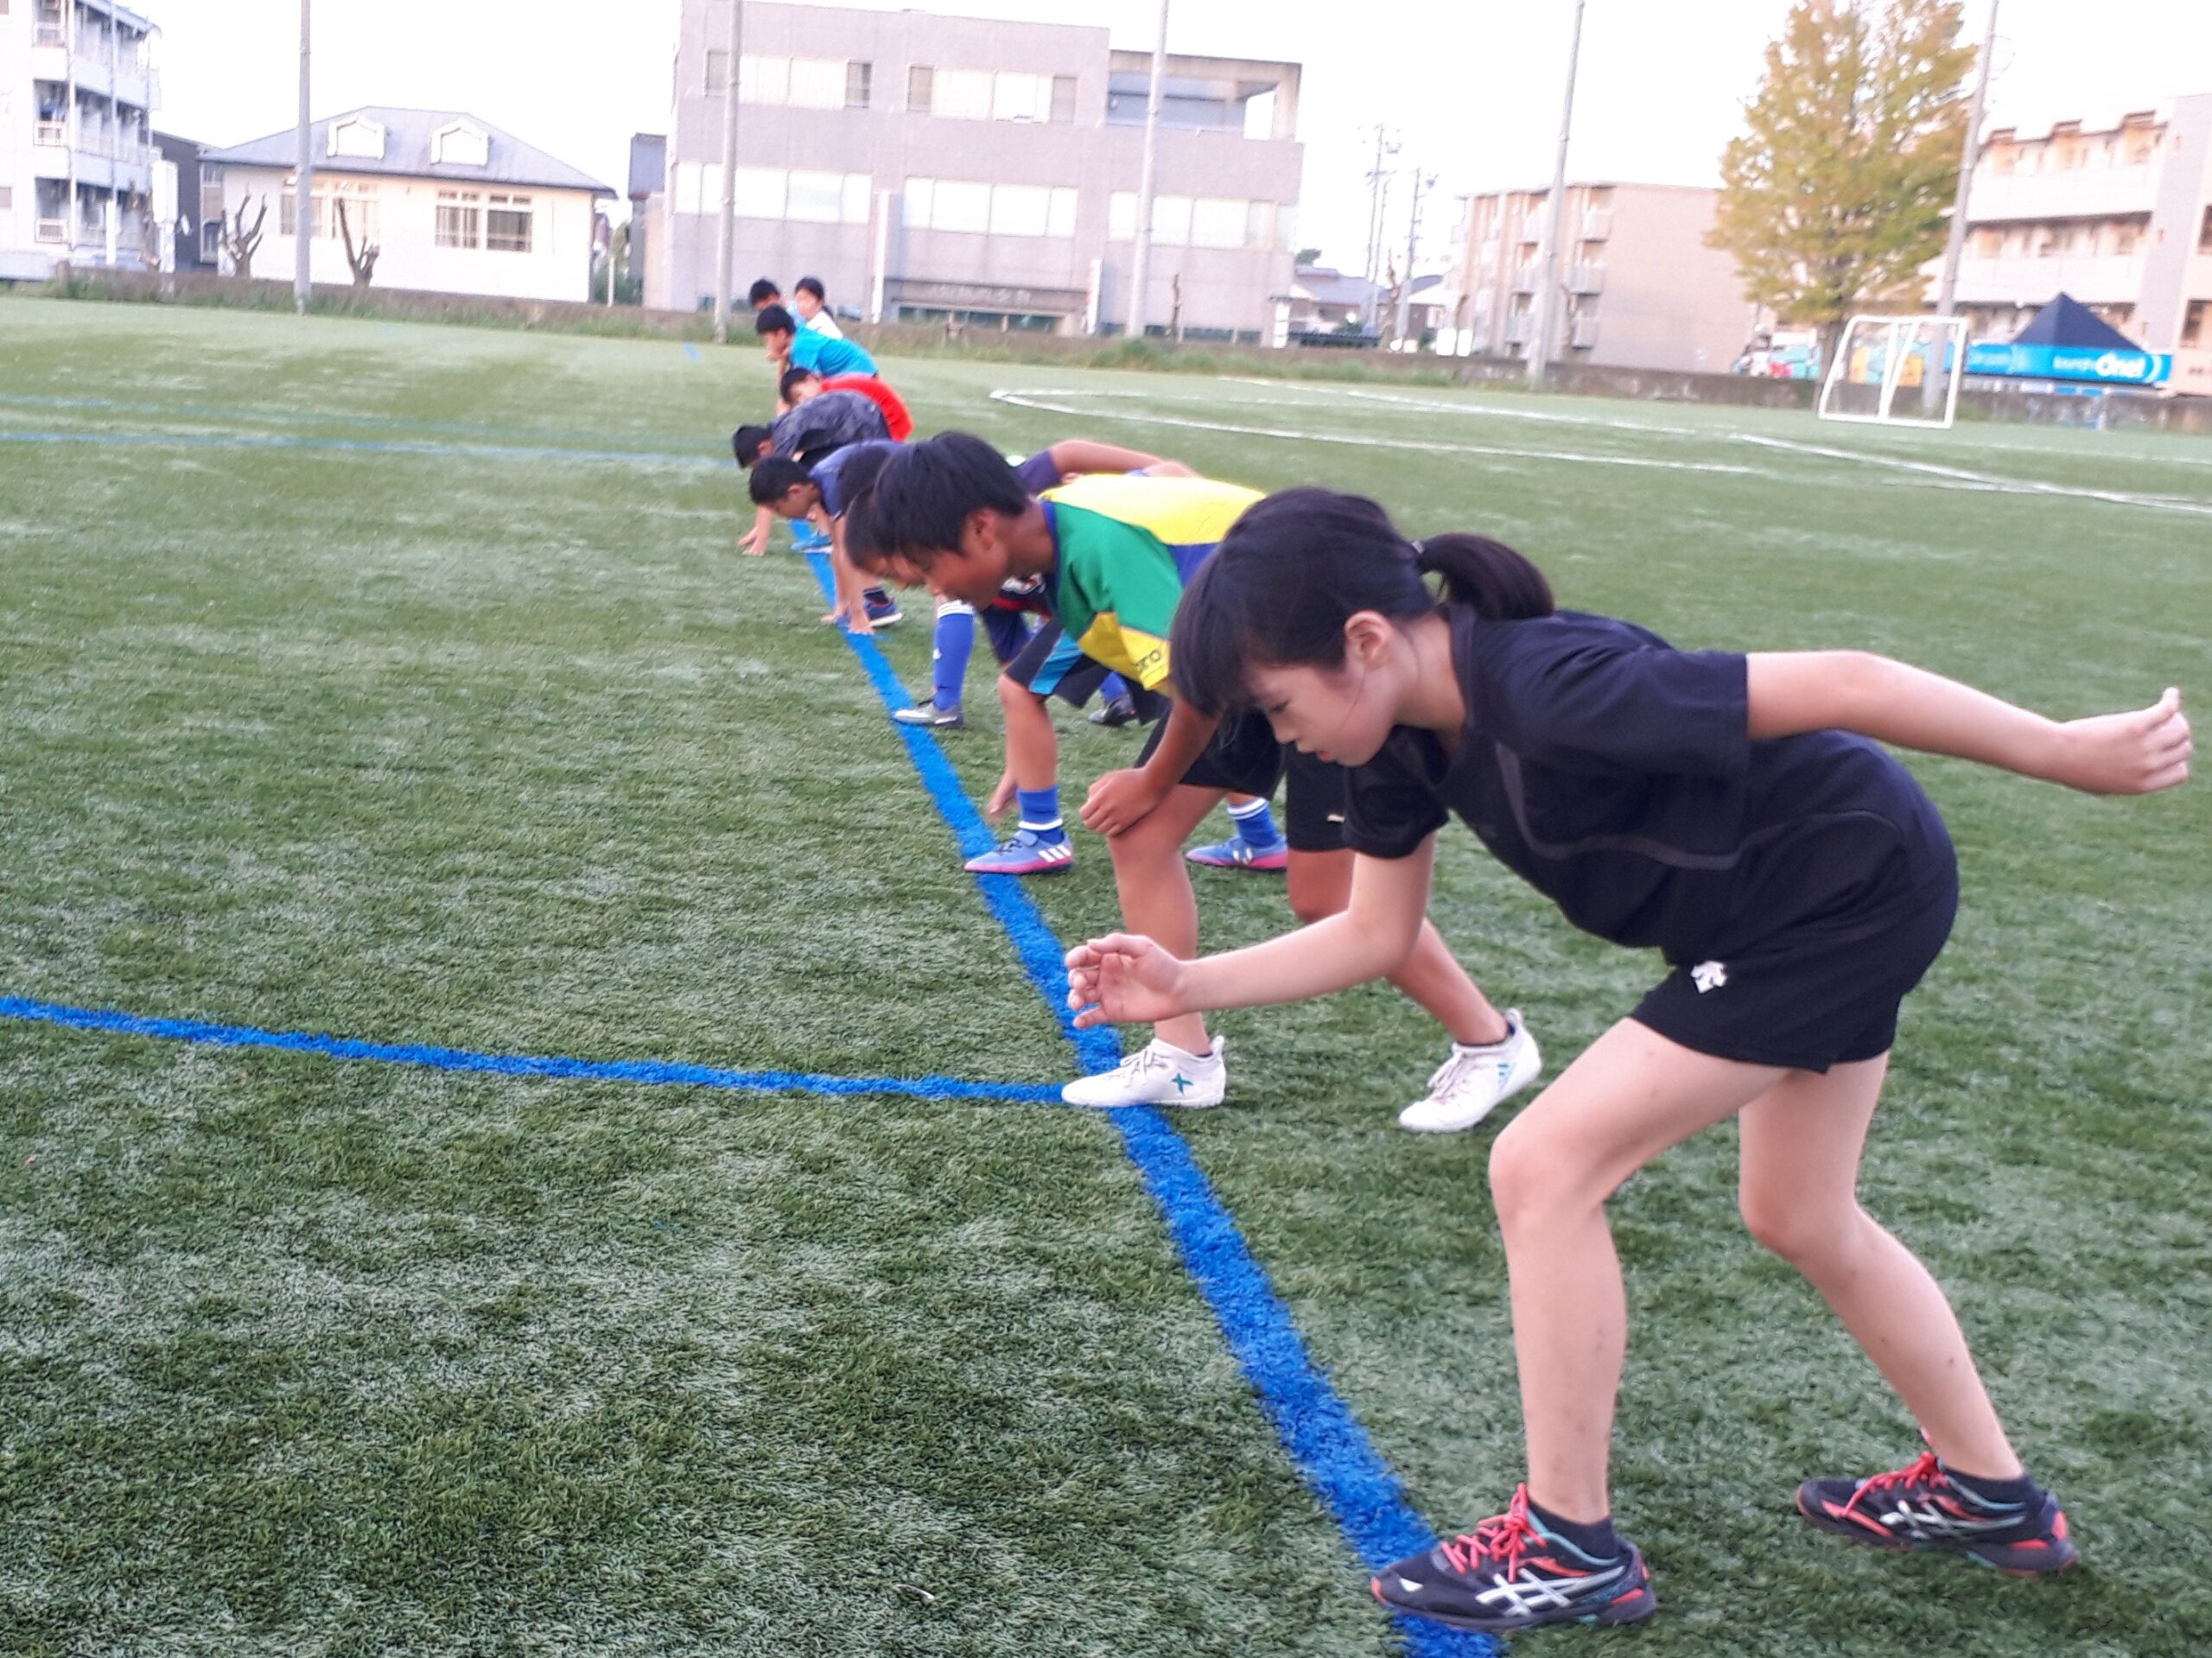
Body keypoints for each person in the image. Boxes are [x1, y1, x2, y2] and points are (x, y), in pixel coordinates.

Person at [1064, 486, 2193, 1634]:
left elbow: (1854, 680)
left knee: (1542, 1165)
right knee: (1799, 1211)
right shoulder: (1391, 738)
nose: (1280, 735)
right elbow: (1374, 933)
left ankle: (1568, 1545)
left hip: (1839, 887)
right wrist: (1186, 984)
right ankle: (1992, 1496)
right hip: (1804, 897)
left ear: (1363, 641)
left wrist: (2064, 751)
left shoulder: (1547, 680)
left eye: (1276, 703)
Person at [856, 439, 1535, 1121]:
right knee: (1141, 836)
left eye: (928, 567)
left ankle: (1492, 1043)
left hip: (1326, 674)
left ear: (980, 528)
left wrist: (1151, 780)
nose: (933, 587)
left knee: (1327, 897)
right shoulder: (1059, 532)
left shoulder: (1099, 543)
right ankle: (1182, 1057)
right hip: (1250, 672)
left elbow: (1193, 689)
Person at [733, 394, 900, 630]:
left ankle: (876, 601)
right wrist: (841, 608)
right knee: (842, 537)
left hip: (865, 426)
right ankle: (867, 600)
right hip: (855, 432)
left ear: (763, 448)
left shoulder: (788, 439)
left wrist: (857, 616)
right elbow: (837, 550)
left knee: (854, 537)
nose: (783, 516)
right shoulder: (815, 474)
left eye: (779, 509)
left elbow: (772, 483)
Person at [781, 365, 912, 442]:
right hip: (882, 420)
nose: (802, 401)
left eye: (799, 394)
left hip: (891, 422)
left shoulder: (833, 392)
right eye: (797, 402)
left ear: (809, 379)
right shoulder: (829, 389)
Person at [756, 302, 876, 380]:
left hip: (860, 373)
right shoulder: (799, 331)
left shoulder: (801, 347)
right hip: (863, 367)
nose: (767, 345)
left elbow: (814, 385)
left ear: (781, 334)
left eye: (768, 339)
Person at [792, 275, 844, 339]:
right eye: (799, 300)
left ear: (820, 302)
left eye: (806, 300)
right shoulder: (804, 323)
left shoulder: (822, 327)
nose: (801, 305)